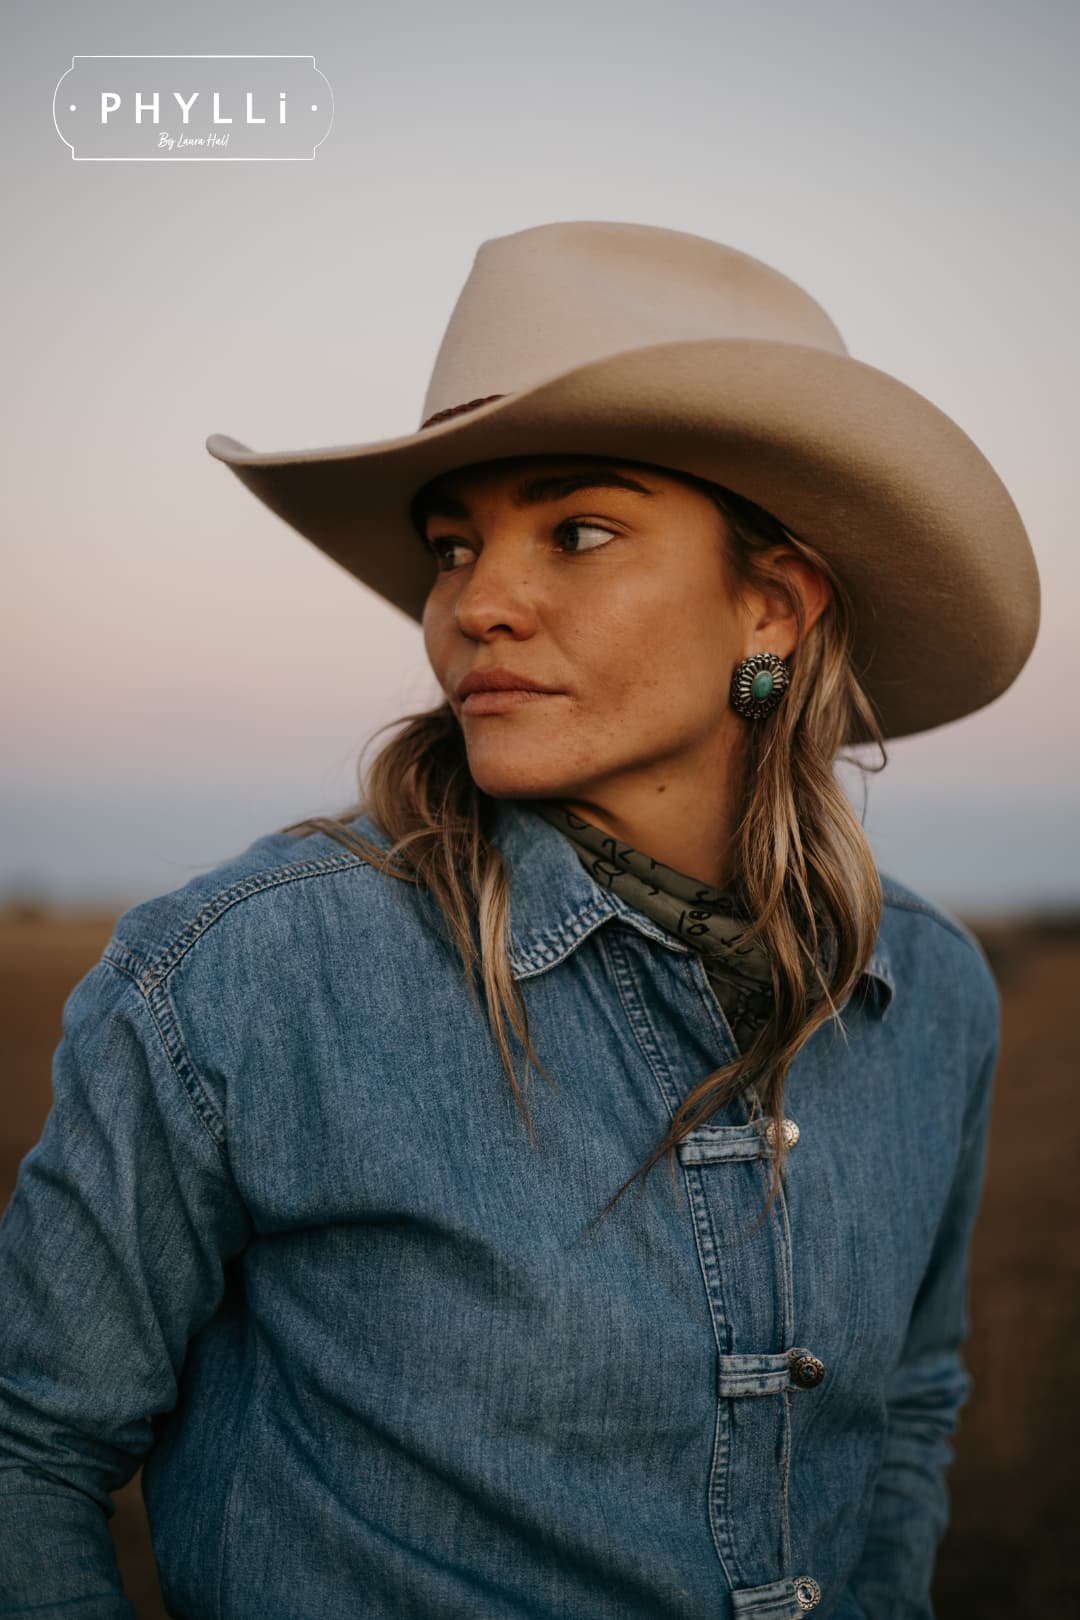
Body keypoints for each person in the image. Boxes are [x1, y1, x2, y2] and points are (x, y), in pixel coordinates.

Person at [0, 221, 1040, 1620]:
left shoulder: (928, 988)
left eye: (581, 530)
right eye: (451, 548)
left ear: (775, 609)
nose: (475, 606)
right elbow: (29, 1447)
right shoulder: (242, 978)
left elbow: (907, 1404)